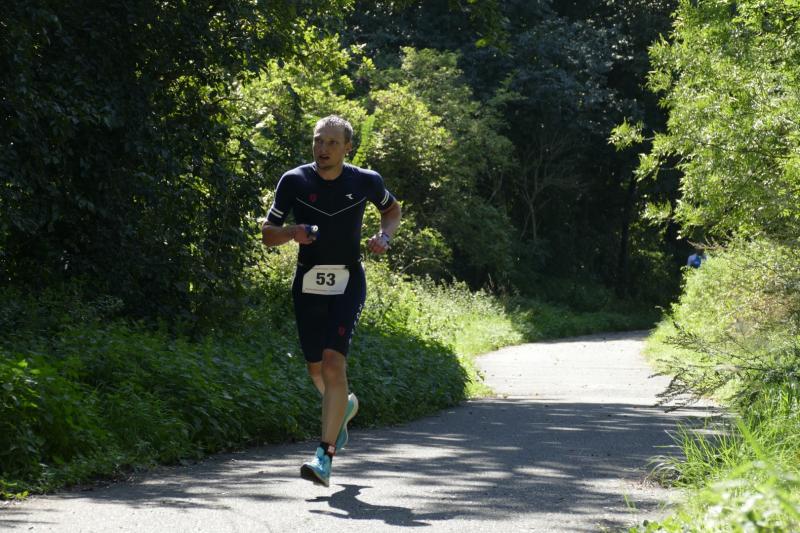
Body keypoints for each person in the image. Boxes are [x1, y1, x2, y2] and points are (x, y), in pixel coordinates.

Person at [261, 115, 401, 487]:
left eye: (332, 143)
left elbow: (392, 210)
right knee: (315, 370)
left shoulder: (366, 180)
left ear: (347, 147)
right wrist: (292, 232)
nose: (322, 149)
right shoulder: (294, 181)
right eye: (318, 141)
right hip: (308, 282)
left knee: (333, 364)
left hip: (348, 280)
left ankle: (324, 455)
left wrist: (385, 237)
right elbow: (267, 234)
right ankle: (345, 407)